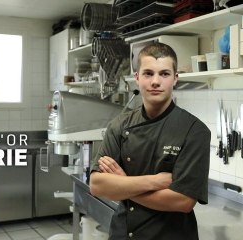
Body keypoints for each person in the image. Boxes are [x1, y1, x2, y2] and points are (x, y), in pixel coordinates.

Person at [89, 42, 211, 240]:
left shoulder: (194, 131)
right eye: (148, 73)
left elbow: (183, 201)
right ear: (137, 78)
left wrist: (122, 184)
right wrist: (155, 181)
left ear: (175, 79)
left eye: (164, 74)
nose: (155, 81)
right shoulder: (120, 125)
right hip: (123, 233)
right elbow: (97, 185)